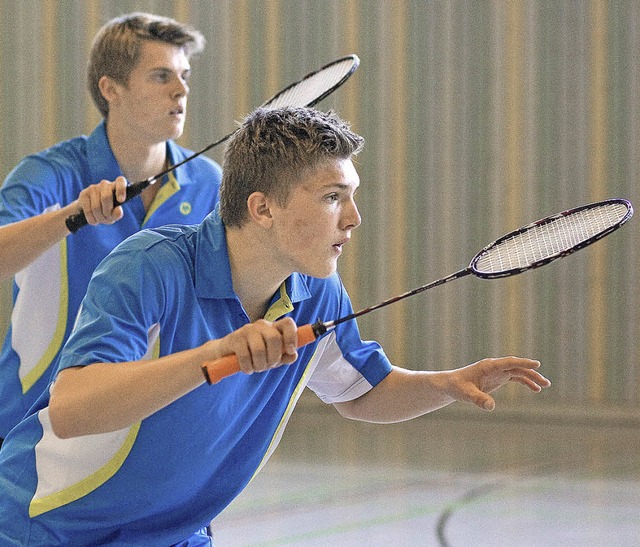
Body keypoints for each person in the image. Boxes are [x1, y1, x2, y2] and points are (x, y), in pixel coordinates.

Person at [0, 107, 550, 545]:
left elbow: (362, 393)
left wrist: (443, 384)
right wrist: (217, 355)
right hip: (45, 523)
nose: (354, 218)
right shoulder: (150, 266)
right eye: (333, 197)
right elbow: (72, 408)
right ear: (262, 209)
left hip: (171, 534)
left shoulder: (316, 292)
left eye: (352, 196)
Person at [0, 12, 222, 445]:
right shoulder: (50, 174)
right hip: (36, 425)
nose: (182, 90)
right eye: (161, 76)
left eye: (184, 75)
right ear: (111, 89)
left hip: (155, 434)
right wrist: (72, 216)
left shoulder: (209, 182)